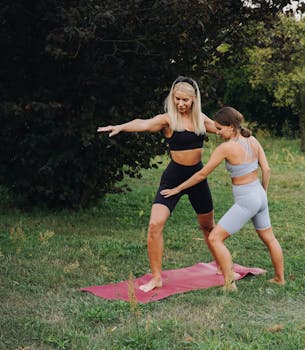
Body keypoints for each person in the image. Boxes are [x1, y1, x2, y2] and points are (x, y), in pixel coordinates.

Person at [97, 76, 217, 292]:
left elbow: (224, 129)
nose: (181, 104)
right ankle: (156, 277)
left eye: (185, 100)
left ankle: (220, 264)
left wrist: (244, 136)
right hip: (173, 178)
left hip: (197, 178)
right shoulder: (168, 120)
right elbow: (142, 124)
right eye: (177, 99)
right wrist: (121, 127)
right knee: (154, 225)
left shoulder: (201, 119)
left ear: (194, 100)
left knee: (208, 226)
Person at [160, 106, 285, 291]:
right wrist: (263, 193)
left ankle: (229, 284)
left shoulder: (226, 148)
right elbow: (266, 170)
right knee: (270, 239)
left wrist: (177, 188)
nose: (216, 132)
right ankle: (280, 279)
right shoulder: (252, 139)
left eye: (219, 128)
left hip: (247, 200)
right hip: (259, 194)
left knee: (215, 238)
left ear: (231, 126)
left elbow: (201, 174)